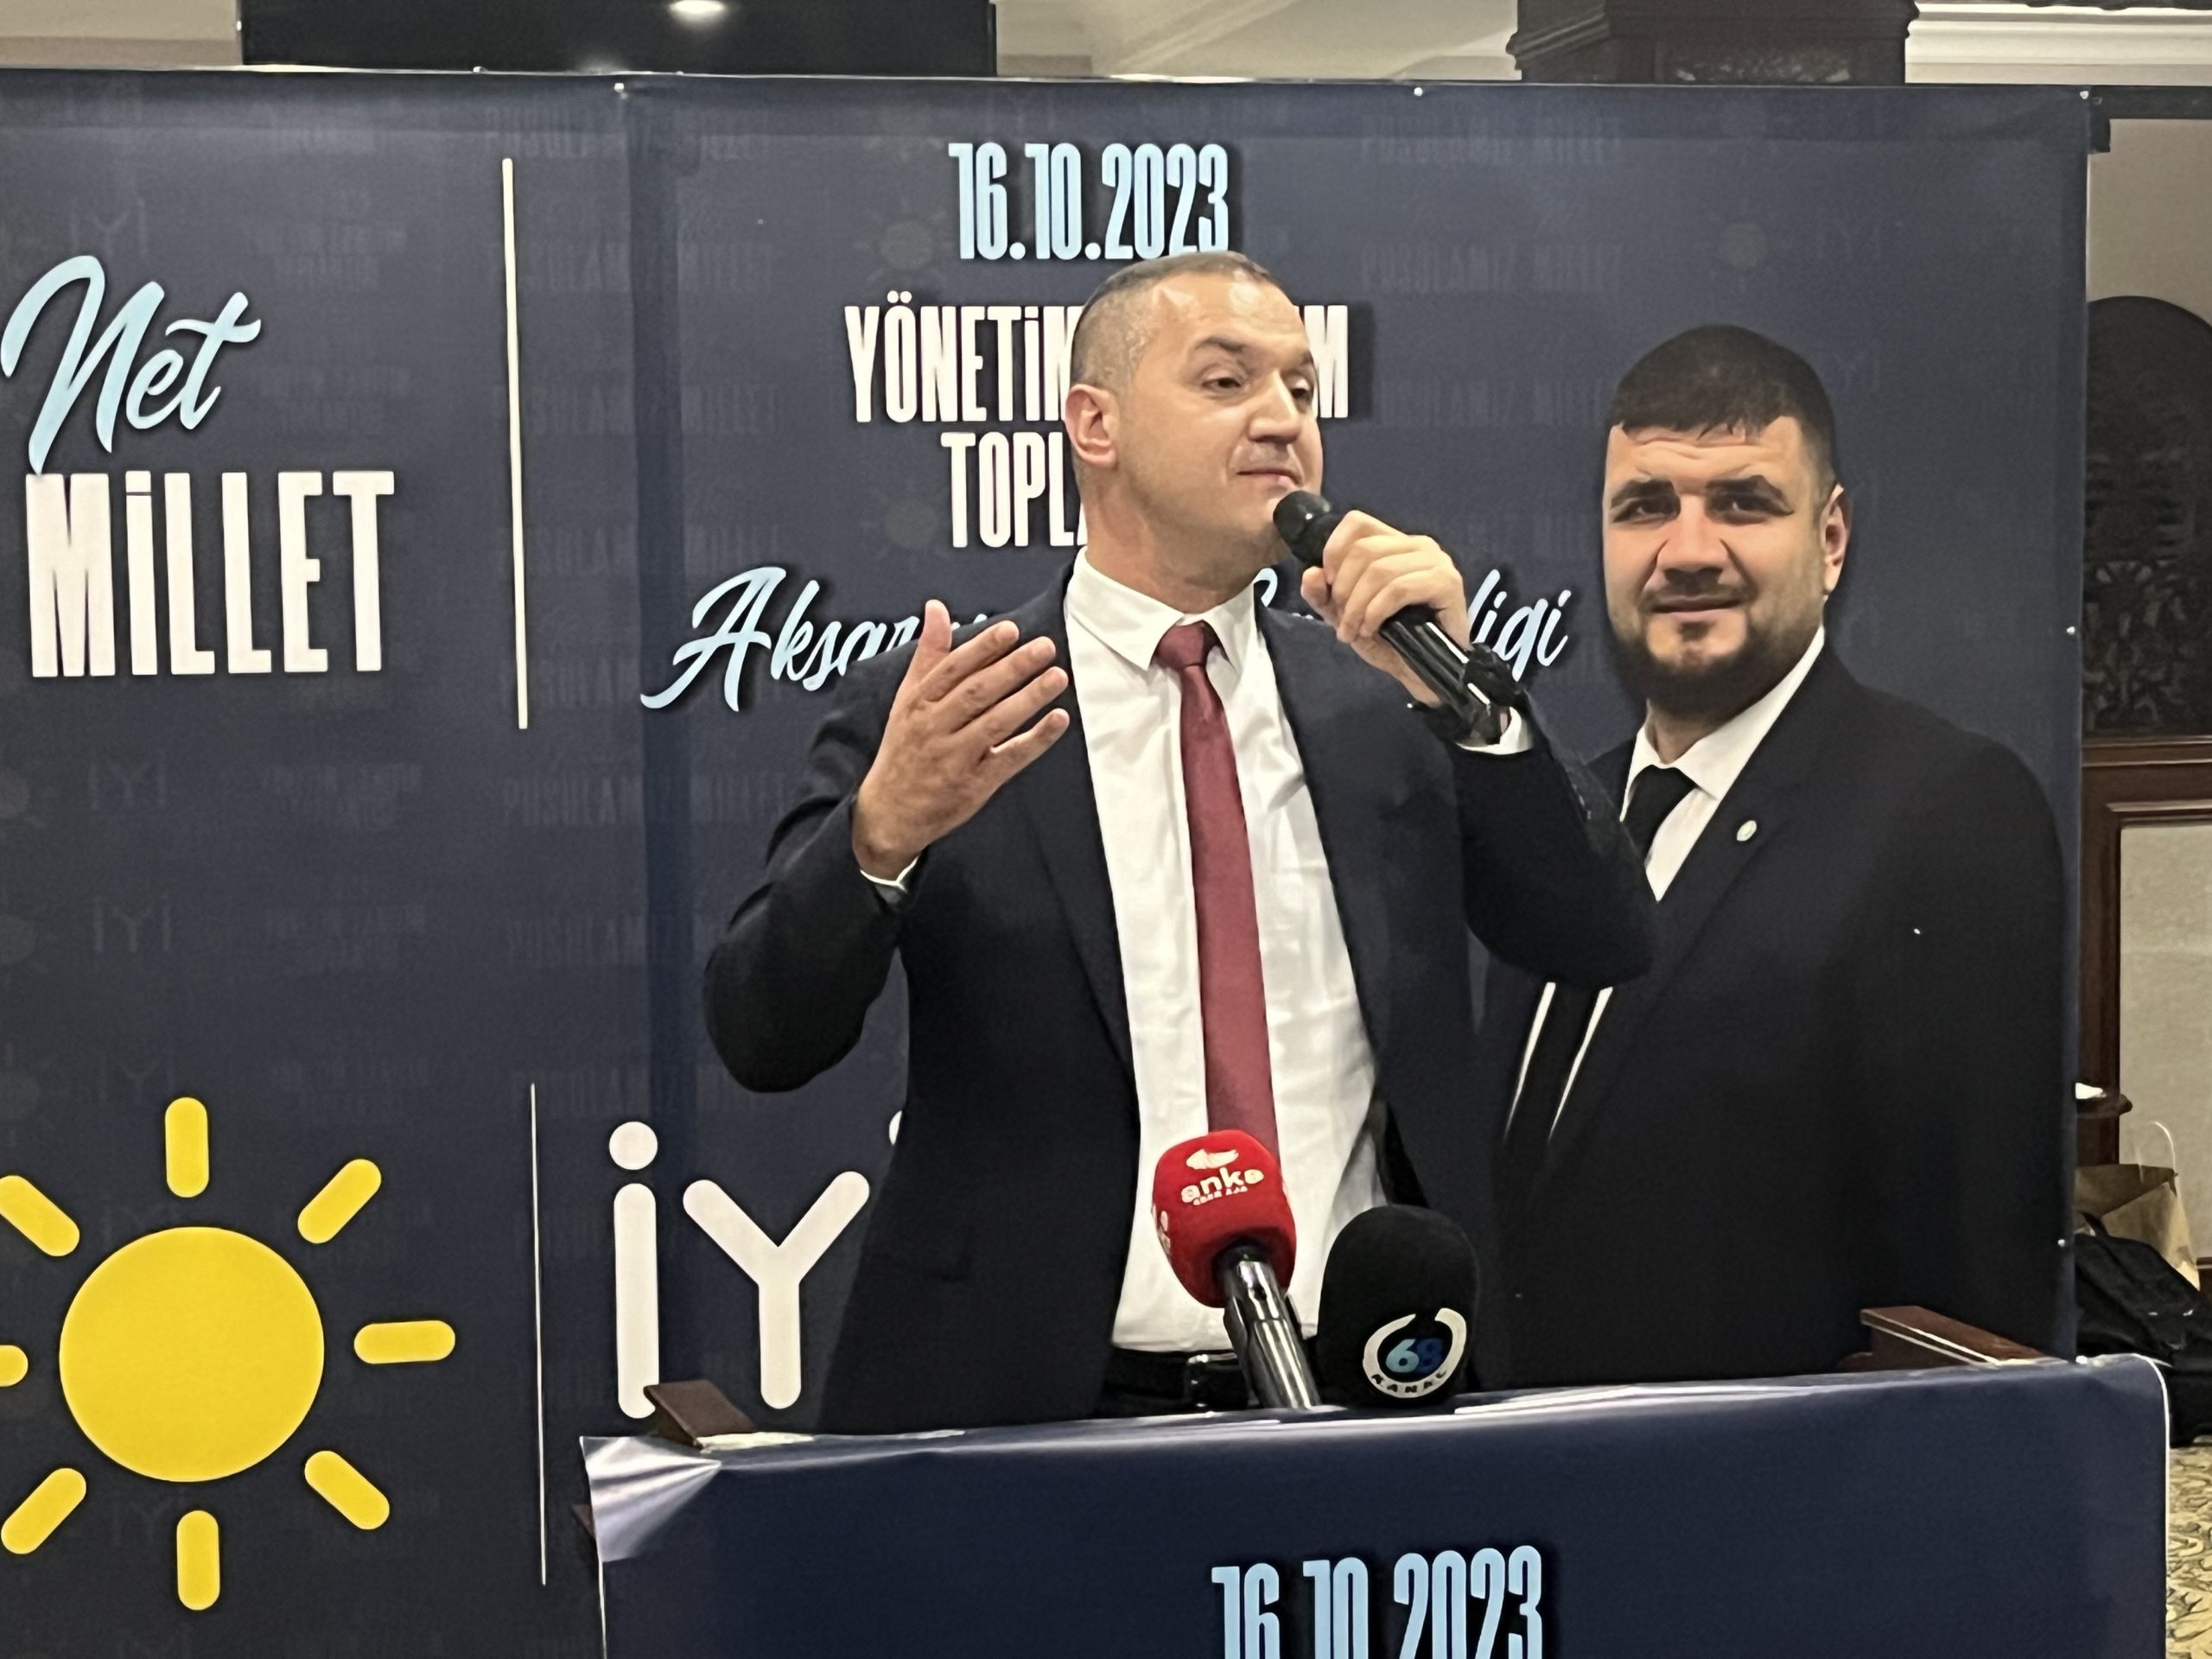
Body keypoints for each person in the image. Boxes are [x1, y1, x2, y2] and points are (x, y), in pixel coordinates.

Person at [705, 251, 1652, 1431]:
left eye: (1302, 388)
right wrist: (882, 833)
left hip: (1368, 1397)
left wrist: (1475, 708)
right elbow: (762, 1034)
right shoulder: (955, 712)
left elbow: (1601, 936)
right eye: (1225, 381)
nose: (1282, 419)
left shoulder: (1391, 704)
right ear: (1093, 425)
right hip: (1031, 1411)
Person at [1474, 324, 2068, 1389]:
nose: (1687, 551)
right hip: (1527, 1471)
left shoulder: (1946, 811)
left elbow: (1972, 1289)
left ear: (1830, 539)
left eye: (1742, 503)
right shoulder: (1563, 812)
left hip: (1778, 1481)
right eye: (1644, 507)